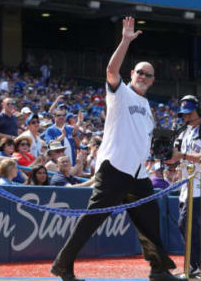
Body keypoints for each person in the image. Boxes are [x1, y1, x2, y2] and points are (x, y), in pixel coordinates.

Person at [51, 17, 184, 281]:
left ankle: (158, 268)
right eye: (139, 72)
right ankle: (63, 265)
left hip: (137, 173)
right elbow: (111, 70)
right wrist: (125, 40)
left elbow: (146, 143)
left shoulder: (147, 108)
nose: (143, 76)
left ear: (153, 80)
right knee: (93, 217)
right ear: (131, 74)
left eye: (148, 74)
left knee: (149, 217)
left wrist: (164, 155)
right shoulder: (120, 93)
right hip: (114, 168)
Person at [165, 95, 201, 279]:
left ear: (200, 111)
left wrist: (181, 155)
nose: (186, 117)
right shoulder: (185, 132)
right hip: (187, 186)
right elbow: (177, 157)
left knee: (186, 224)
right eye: (184, 114)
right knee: (186, 226)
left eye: (189, 113)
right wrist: (168, 157)